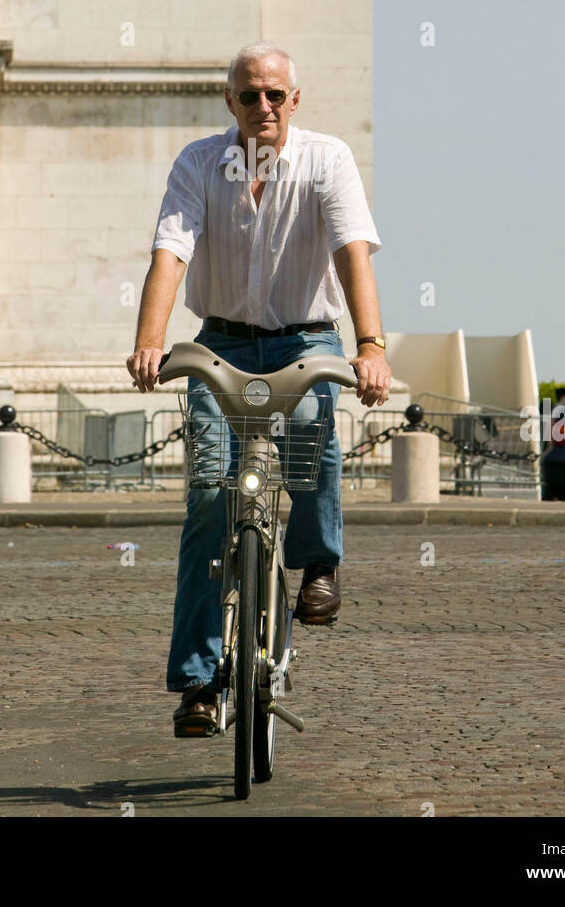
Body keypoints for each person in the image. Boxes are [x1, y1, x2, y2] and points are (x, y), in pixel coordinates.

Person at [127, 43, 391, 736]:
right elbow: (170, 252)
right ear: (230, 103)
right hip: (221, 341)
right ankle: (198, 684)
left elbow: (351, 251)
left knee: (312, 424)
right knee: (208, 500)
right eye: (250, 96)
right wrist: (151, 342)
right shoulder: (197, 163)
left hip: (308, 336)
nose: (263, 107)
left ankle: (318, 565)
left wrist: (370, 347)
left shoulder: (327, 159)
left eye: (276, 95)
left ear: (294, 101)